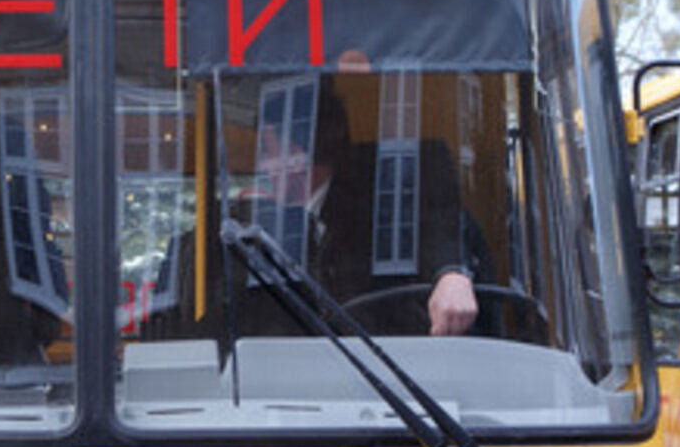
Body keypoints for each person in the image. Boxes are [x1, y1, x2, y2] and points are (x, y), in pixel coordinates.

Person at [144, 76, 478, 340]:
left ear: (302, 152)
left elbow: (442, 230)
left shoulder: (383, 215)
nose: (263, 167)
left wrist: (452, 275)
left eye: (269, 151)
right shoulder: (253, 230)